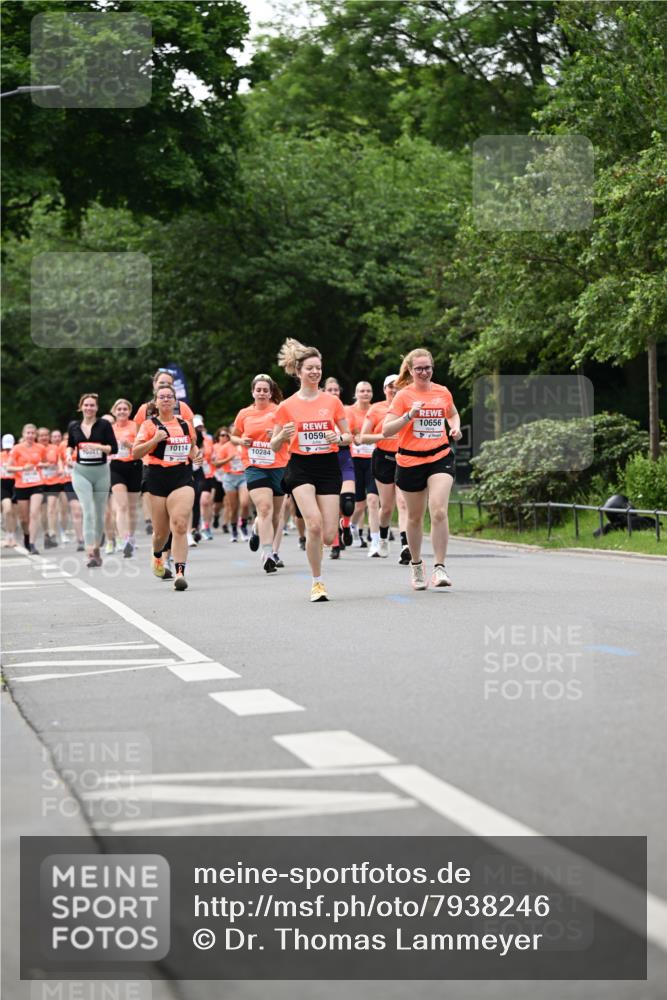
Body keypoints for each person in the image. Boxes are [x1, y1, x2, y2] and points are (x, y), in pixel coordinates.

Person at [271, 338, 350, 602]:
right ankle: (317, 582)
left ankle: (334, 525)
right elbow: (272, 445)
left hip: (328, 466)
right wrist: (282, 435)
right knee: (313, 525)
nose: (315, 372)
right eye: (310, 368)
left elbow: (349, 435)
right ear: (298, 371)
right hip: (300, 467)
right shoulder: (286, 406)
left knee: (328, 535)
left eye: (318, 368)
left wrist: (338, 439)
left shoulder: (332, 402)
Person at [383, 349, 461, 590]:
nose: (424, 372)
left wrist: (454, 428)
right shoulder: (403, 396)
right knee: (415, 518)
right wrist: (409, 415)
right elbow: (387, 430)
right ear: (410, 370)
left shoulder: (442, 392)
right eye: (419, 369)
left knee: (438, 511)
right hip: (410, 461)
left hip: (439, 456)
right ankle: (417, 565)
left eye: (428, 367)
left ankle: (440, 568)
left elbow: (453, 413)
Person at [133, 383, 197, 591]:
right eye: (162, 397)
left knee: (179, 524)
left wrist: (196, 455)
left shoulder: (185, 424)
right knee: (161, 533)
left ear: (175, 401)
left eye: (170, 396)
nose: (167, 399)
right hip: (157, 477)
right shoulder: (149, 425)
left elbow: (192, 447)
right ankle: (157, 555)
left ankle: (180, 572)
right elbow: (136, 453)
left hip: (182, 476)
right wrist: (154, 439)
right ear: (156, 401)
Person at [230, 373, 289, 573]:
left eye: (265, 390)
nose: (262, 393)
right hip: (254, 466)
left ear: (271, 392)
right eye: (258, 390)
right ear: (253, 392)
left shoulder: (280, 411)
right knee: (264, 508)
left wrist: (279, 436)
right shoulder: (244, 414)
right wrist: (241, 441)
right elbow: (234, 436)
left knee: (275, 515)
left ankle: (256, 528)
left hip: (279, 466)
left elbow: (293, 436)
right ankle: (267, 554)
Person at [360, 373, 410, 562]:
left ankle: (406, 545)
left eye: (398, 386)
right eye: (390, 386)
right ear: (384, 390)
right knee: (387, 507)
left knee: (404, 503)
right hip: (383, 458)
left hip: (404, 458)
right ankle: (382, 536)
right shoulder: (376, 409)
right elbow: (363, 437)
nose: (394, 389)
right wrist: (384, 436)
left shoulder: (409, 408)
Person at [67, 394, 118, 567]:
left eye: (92, 405)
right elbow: (70, 445)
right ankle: (89, 550)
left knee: (98, 511)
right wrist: (68, 455)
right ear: (80, 407)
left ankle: (96, 548)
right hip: (81, 472)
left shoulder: (104, 425)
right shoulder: (74, 426)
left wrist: (97, 447)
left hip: (101, 472)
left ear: (96, 408)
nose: (89, 408)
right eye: (86, 405)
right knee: (87, 509)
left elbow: (114, 448)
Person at [346, 380, 380, 555]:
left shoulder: (376, 410)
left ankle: (375, 541)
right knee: (359, 504)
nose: (365, 394)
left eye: (368, 391)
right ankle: (351, 525)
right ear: (356, 393)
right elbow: (346, 433)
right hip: (355, 460)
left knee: (372, 501)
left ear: (372, 394)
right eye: (362, 391)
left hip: (373, 459)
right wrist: (357, 437)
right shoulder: (349, 411)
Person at [323, 377, 355, 559]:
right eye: (330, 390)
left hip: (344, 455)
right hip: (326, 458)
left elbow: (354, 433)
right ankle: (335, 544)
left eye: (336, 389)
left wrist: (349, 437)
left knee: (348, 503)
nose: (333, 392)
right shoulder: (318, 410)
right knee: (333, 505)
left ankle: (346, 525)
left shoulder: (347, 411)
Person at [7, 423, 47, 554]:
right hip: (21, 485)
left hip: (37, 483)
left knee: (34, 513)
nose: (30, 435)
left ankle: (32, 544)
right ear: (23, 434)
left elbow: (46, 462)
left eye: (32, 433)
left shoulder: (40, 448)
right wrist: (23, 468)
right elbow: (8, 468)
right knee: (24, 519)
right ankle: (26, 536)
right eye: (27, 433)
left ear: (35, 435)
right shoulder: (17, 449)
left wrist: (42, 465)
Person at [109, 398, 141, 557]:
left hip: (134, 466)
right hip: (116, 467)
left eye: (125, 409)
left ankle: (131, 536)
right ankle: (124, 540)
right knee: (121, 506)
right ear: (114, 411)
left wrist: (129, 445)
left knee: (132, 507)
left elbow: (144, 448)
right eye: (119, 409)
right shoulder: (109, 429)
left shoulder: (136, 426)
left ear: (129, 411)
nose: (122, 411)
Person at [212, 430, 249, 542]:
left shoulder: (244, 445)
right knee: (233, 507)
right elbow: (216, 464)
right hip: (229, 478)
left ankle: (243, 526)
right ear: (230, 436)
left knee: (245, 503)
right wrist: (229, 459)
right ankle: (234, 529)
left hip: (243, 476)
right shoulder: (225, 447)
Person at [1, 433, 17, 547]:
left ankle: (12, 536)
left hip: (16, 484)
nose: (7, 449)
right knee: (7, 510)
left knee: (13, 513)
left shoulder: (17, 454)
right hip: (3, 483)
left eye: (9, 447)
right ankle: (8, 535)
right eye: (6, 447)